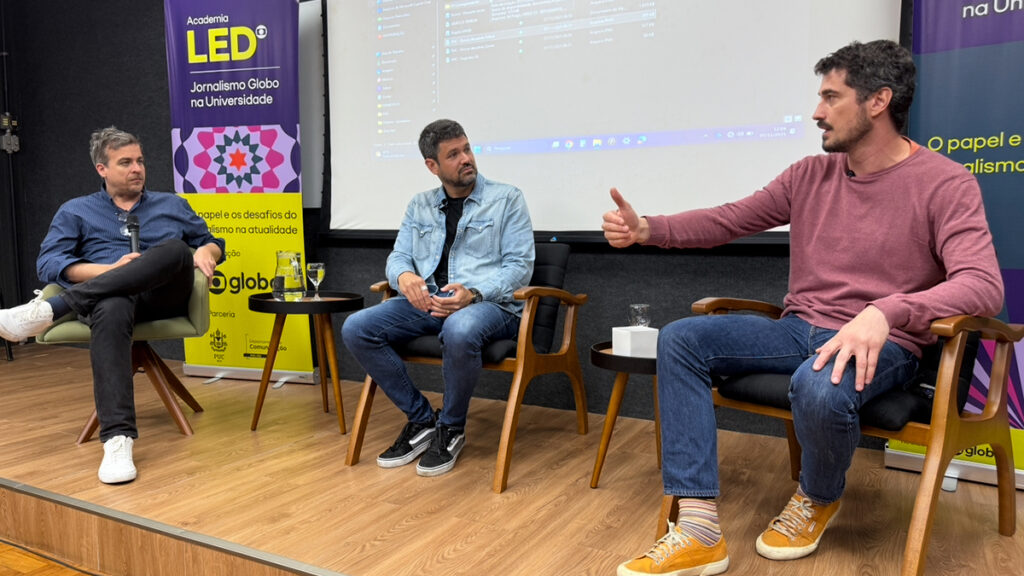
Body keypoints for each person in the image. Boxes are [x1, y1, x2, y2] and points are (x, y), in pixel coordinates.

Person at [602, 40, 1003, 575]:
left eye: (831, 97)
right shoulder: (809, 175)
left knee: (819, 385)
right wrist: (650, 229)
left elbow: (982, 285)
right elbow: (729, 219)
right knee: (681, 338)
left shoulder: (946, 183)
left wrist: (887, 311)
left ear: (878, 101)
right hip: (798, 330)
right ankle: (698, 528)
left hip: (889, 346)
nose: (817, 111)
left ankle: (817, 496)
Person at [0, 127, 225, 485]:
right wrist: (111, 271)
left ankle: (50, 311)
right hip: (107, 303)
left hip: (161, 299)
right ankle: (118, 439)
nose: (137, 169)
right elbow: (49, 263)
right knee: (113, 304)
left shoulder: (172, 204)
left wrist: (205, 250)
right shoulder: (76, 211)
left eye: (140, 161)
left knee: (171, 250)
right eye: (125, 163)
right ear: (102, 169)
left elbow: (213, 244)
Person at [342, 119, 534, 477]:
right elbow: (397, 257)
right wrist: (404, 277)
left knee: (460, 328)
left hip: (491, 306)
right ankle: (421, 419)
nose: (466, 159)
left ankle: (452, 426)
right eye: (453, 154)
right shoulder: (420, 205)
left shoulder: (507, 198)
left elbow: (519, 267)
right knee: (357, 327)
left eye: (467, 149)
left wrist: (473, 293)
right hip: (430, 301)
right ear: (432, 166)